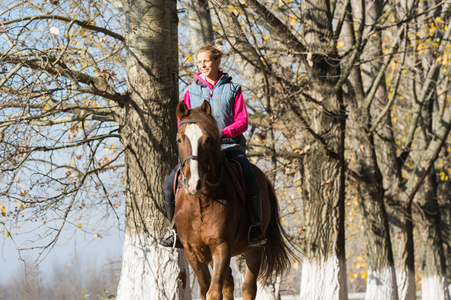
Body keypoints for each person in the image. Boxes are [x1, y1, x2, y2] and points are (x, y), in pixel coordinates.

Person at [159, 45, 266, 248]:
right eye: (200, 62)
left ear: (217, 61)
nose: (203, 65)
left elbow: (242, 121)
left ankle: (256, 227)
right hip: (199, 151)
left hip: (229, 146)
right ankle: (173, 229)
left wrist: (221, 134)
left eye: (207, 61)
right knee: (168, 184)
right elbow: (184, 121)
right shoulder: (191, 91)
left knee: (251, 177)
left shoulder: (233, 89)